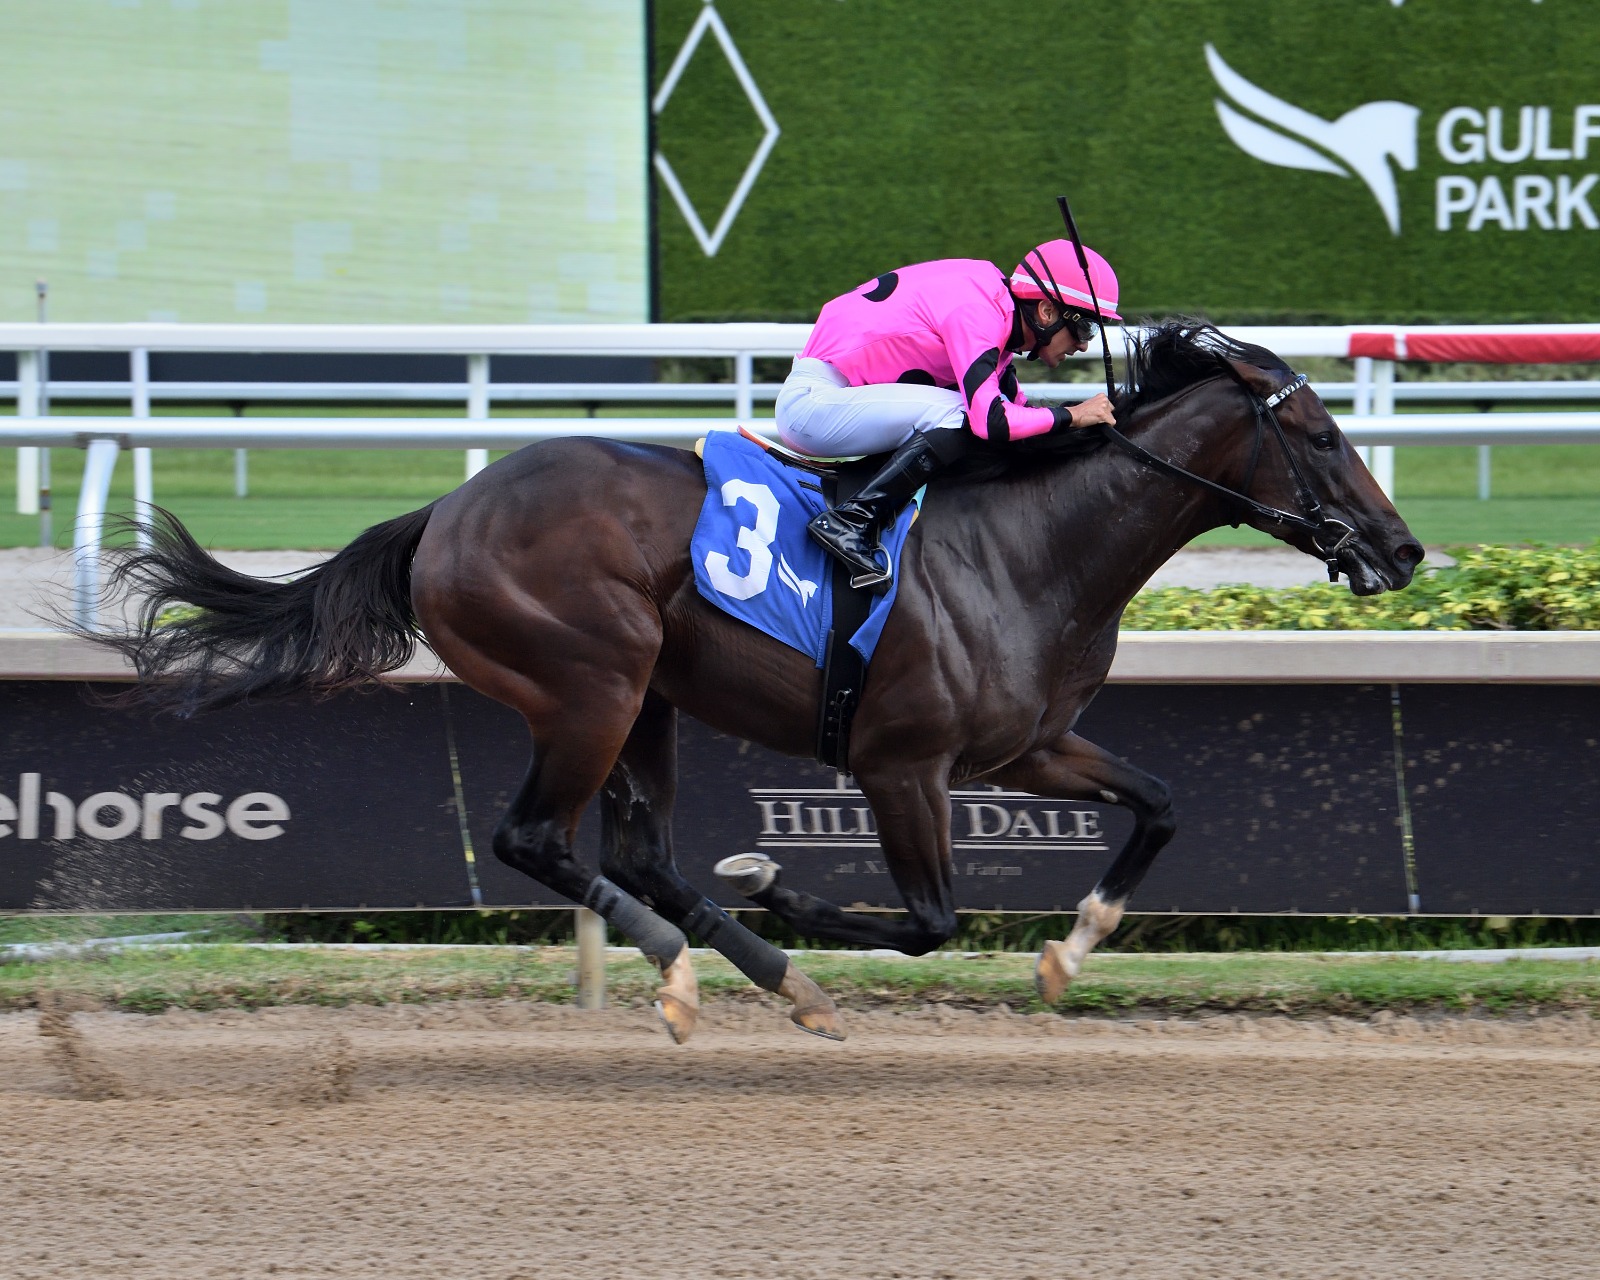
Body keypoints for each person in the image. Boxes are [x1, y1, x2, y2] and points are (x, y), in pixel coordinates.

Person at [775, 240, 1121, 588]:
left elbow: (1020, 414)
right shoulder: (979, 312)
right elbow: (992, 422)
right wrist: (1072, 415)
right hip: (814, 405)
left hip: (836, 399)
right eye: (1085, 328)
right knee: (963, 415)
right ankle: (852, 521)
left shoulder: (995, 311)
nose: (1083, 345)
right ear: (1046, 310)